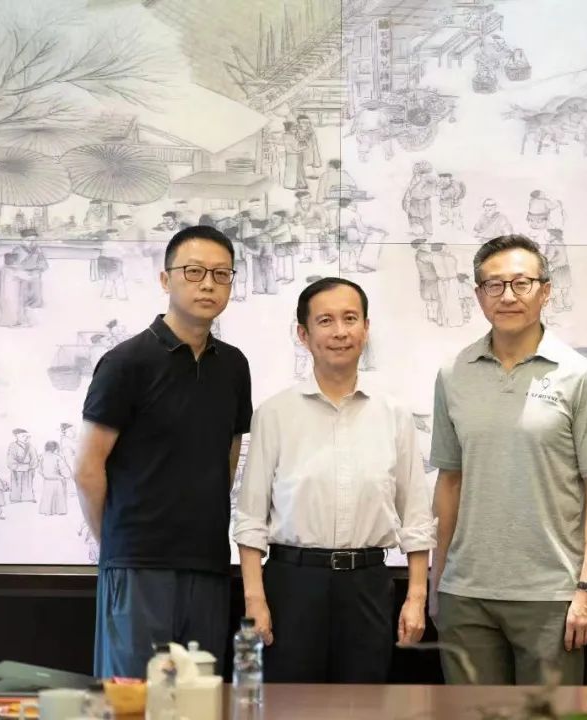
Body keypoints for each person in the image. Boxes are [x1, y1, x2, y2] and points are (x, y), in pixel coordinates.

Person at [430, 235, 587, 685]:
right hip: (465, 595)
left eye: (521, 283)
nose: (508, 296)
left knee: (548, 715)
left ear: (546, 290)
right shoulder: (453, 375)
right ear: (478, 294)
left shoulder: (578, 376)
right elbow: (449, 482)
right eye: (494, 285)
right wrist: (437, 583)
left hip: (551, 596)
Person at [233, 277, 435, 683]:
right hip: (293, 584)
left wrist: (416, 597)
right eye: (325, 321)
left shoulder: (393, 414)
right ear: (303, 335)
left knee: (364, 704)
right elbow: (251, 517)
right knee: (291, 705)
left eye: (350, 319)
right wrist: (255, 599)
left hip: (367, 585)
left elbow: (415, 516)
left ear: (366, 328)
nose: (340, 332)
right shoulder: (275, 414)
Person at [76, 225, 253, 678]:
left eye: (221, 274)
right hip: (138, 564)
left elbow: (228, 456)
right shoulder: (126, 362)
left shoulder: (234, 366)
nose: (208, 284)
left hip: (207, 561)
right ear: (165, 279)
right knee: (134, 698)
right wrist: (116, 544)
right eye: (194, 271)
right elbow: (88, 469)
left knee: (199, 698)